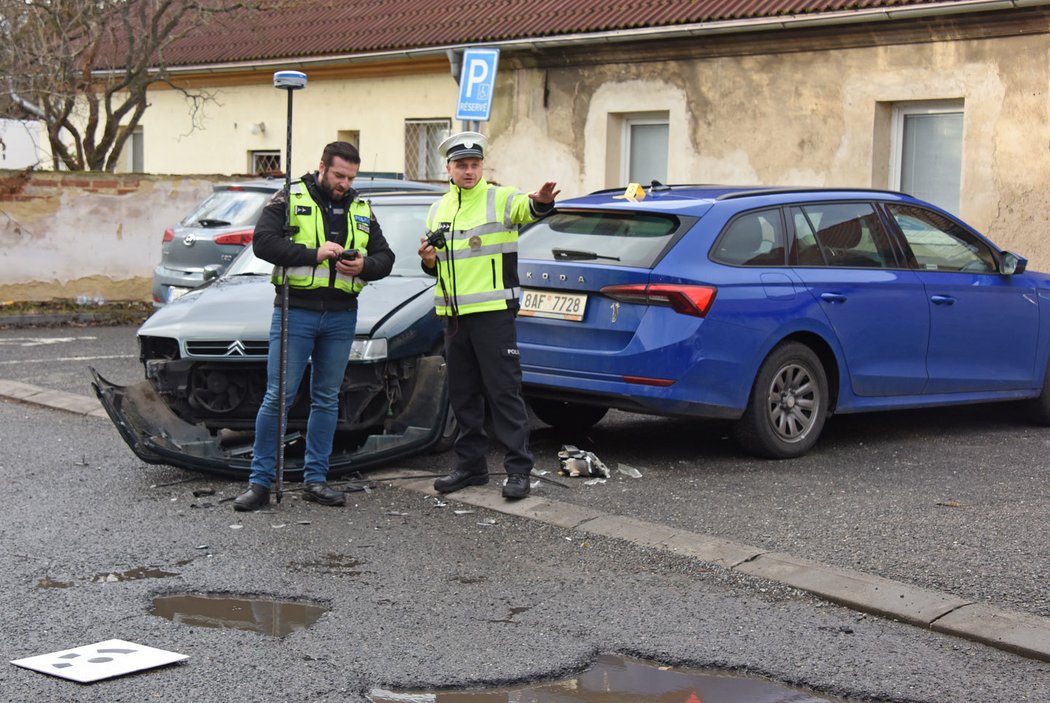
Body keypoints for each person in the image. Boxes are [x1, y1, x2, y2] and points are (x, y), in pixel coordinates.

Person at [233, 141, 394, 511]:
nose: (344, 183)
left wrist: (364, 267)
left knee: (327, 398)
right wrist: (313, 254)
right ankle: (260, 483)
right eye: (339, 175)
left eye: (351, 177)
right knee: (279, 397)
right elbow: (262, 243)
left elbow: (386, 257)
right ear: (321, 166)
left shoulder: (361, 206)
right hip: (296, 311)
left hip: (341, 314)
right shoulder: (289, 196)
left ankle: (315, 480)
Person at [417, 131, 559, 500]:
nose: (469, 171)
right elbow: (435, 265)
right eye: (461, 165)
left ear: (482, 166)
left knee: (503, 393)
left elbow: (528, 210)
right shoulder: (438, 209)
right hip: (453, 316)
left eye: (474, 164)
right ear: (448, 169)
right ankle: (471, 467)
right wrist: (427, 261)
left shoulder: (502, 198)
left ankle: (518, 470)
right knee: (463, 396)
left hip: (493, 313)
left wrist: (541, 203)